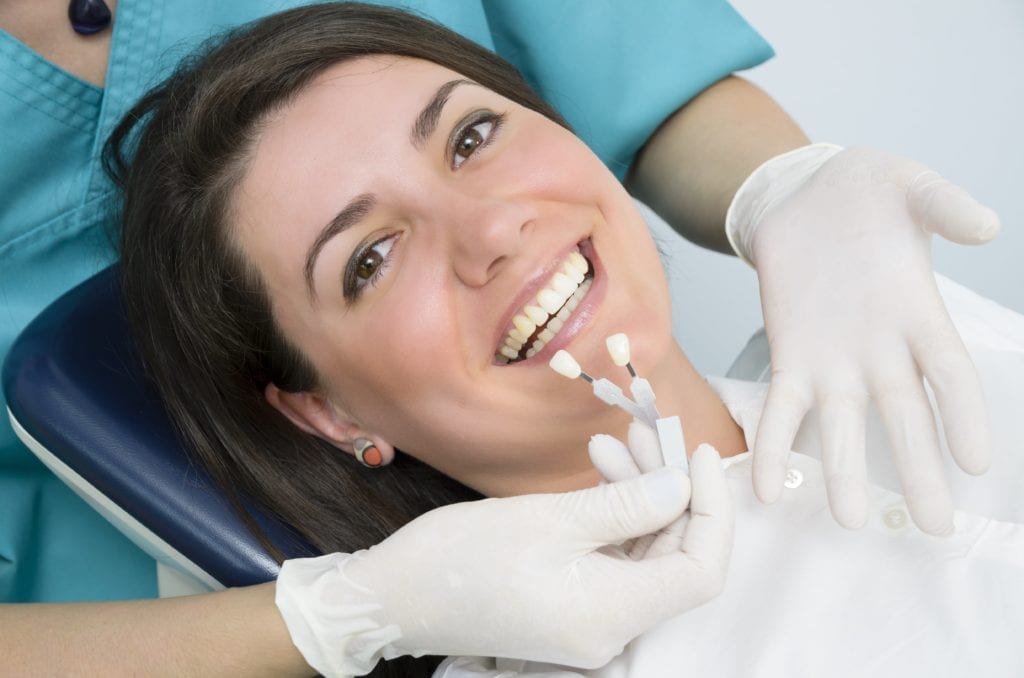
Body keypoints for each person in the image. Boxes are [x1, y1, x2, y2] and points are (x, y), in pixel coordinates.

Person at [0, 0, 1002, 675]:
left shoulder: (927, 336)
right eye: (369, 260)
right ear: (327, 409)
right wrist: (341, 615)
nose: (489, 232)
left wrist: (789, 184)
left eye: (472, 137)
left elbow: (644, 70)